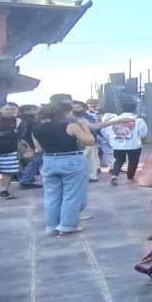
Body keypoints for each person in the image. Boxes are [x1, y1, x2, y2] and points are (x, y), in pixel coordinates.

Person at [32, 101, 95, 236]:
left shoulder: (36, 129)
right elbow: (89, 141)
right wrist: (84, 127)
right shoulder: (70, 126)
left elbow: (39, 148)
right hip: (71, 159)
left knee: (51, 195)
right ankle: (67, 225)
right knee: (72, 194)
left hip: (49, 160)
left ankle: (52, 226)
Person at [101, 99, 148, 186]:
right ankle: (130, 179)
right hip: (134, 145)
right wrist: (138, 138)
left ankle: (114, 175)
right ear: (134, 109)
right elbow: (143, 133)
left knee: (118, 160)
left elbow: (107, 132)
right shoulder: (138, 120)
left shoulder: (114, 120)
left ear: (122, 109)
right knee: (133, 161)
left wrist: (113, 141)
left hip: (117, 145)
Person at [70, 100, 101, 182]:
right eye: (74, 107)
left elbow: (95, 127)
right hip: (89, 139)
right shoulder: (89, 116)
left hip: (84, 141)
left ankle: (87, 176)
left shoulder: (83, 118)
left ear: (84, 108)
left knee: (84, 158)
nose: (75, 109)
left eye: (78, 107)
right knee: (91, 159)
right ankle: (92, 176)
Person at [86, 98, 112, 172]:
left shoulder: (106, 114)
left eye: (94, 106)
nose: (92, 108)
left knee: (109, 151)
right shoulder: (87, 114)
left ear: (99, 105)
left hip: (103, 134)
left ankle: (112, 167)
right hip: (93, 135)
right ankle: (96, 168)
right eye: (90, 107)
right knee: (93, 153)